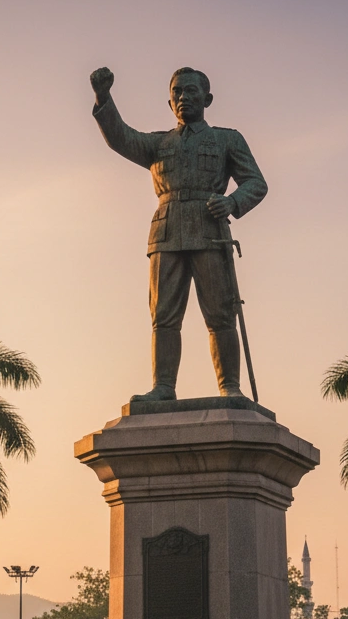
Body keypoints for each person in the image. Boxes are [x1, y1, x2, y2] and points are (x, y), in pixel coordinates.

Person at [90, 66, 268, 401]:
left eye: (191, 91)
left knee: (220, 313)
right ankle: (163, 387)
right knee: (163, 316)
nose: (183, 98)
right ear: (170, 102)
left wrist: (232, 201)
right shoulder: (158, 144)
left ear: (208, 98)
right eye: (177, 93)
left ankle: (230, 387)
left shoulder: (227, 139)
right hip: (167, 233)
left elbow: (256, 182)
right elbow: (121, 138)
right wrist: (103, 97)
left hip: (209, 230)